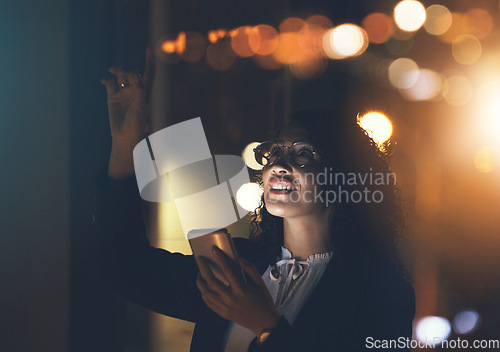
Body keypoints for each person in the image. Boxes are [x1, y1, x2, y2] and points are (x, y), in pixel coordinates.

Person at [95, 48, 415, 351]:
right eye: (274, 152)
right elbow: (123, 265)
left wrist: (267, 327)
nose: (278, 165)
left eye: (303, 153)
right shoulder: (239, 267)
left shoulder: (379, 292)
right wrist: (126, 143)